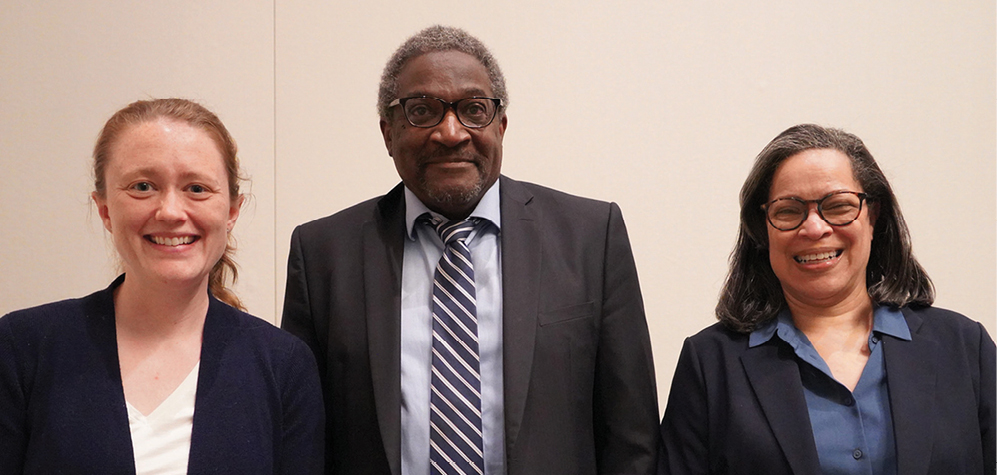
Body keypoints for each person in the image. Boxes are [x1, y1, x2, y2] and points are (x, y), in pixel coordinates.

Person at [282, 25, 659, 474]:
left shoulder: (591, 238)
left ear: (500, 126)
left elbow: (632, 440)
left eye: (473, 110)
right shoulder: (323, 253)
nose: (451, 132)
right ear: (388, 133)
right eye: (422, 111)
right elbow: (300, 441)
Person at [0, 98, 324, 473]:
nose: (170, 211)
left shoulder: (283, 366)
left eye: (197, 188)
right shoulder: (23, 349)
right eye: (142, 186)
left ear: (232, 211)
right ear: (105, 209)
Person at [658, 124, 996, 475]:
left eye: (837, 206)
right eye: (788, 210)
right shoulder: (710, 364)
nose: (815, 228)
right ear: (763, 228)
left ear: (873, 215)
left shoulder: (964, 347)